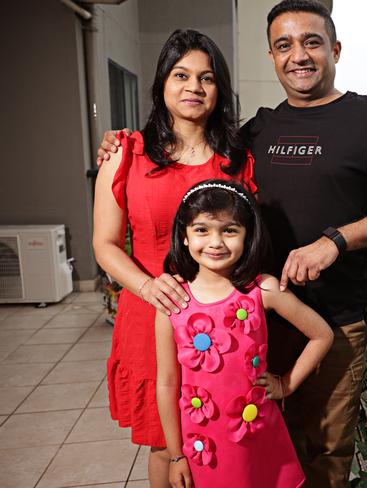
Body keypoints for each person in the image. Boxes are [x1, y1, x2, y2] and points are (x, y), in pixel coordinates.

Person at [98, 2, 367, 486]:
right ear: (270, 56)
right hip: (207, 318)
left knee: (306, 451)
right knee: (201, 444)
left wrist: (334, 241)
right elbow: (113, 236)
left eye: (312, 42)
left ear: (335, 49)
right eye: (284, 45)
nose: (300, 55)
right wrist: (117, 141)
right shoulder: (248, 135)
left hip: (300, 316)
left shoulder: (358, 121)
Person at [92, 30, 256, 487]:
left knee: (224, 433)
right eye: (181, 75)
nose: (194, 88)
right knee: (166, 446)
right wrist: (147, 286)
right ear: (162, 82)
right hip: (151, 315)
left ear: (219, 89)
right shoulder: (126, 153)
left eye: (206, 78)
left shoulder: (237, 160)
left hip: (223, 323)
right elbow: (104, 244)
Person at [156, 179, 333, 488]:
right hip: (203, 443)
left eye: (229, 230)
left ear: (247, 235)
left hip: (256, 436)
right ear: (183, 236)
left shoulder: (262, 289)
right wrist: (175, 456)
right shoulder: (171, 302)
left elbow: (322, 335)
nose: (215, 242)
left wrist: (286, 384)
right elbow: (168, 383)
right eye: (202, 230)